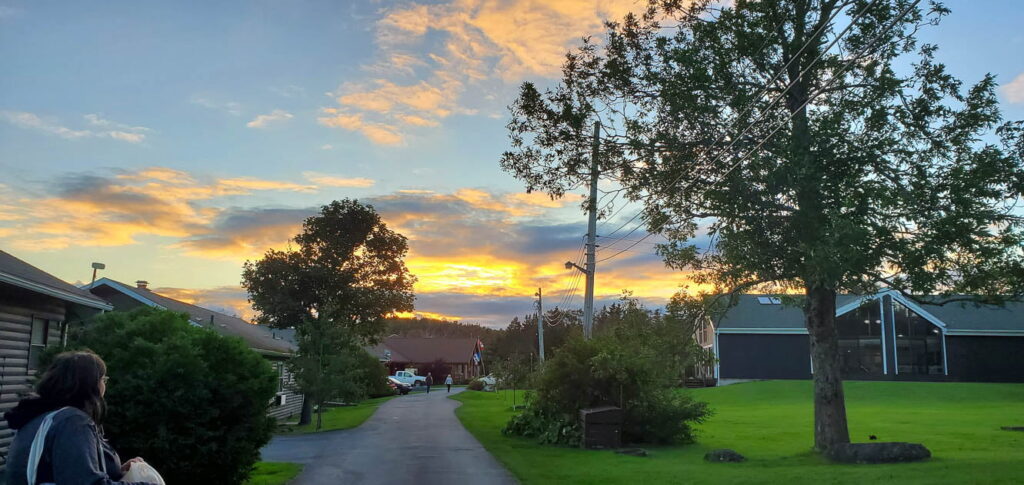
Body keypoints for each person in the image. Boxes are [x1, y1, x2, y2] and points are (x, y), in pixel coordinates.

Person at [3, 350, 156, 485]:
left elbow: (66, 473)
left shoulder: (41, 417)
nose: (105, 385)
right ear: (90, 384)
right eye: (103, 379)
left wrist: (116, 472)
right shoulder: (72, 422)